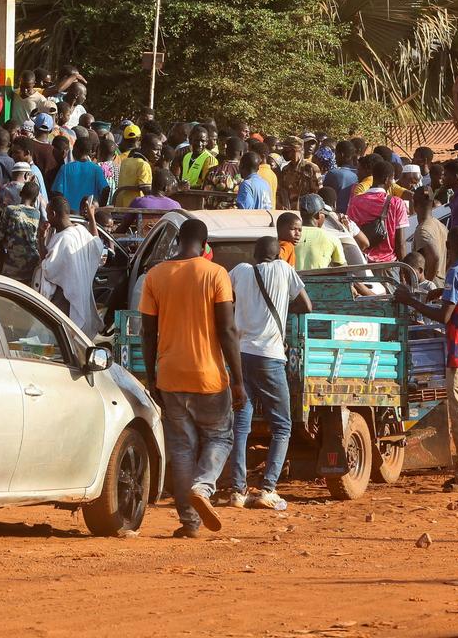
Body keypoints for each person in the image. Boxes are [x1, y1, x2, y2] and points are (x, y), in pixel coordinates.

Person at [139, 218, 241, 537]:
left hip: (170, 375)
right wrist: (237, 379)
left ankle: (189, 522)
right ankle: (204, 486)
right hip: (209, 376)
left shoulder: (154, 276)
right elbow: (226, 330)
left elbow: (147, 332)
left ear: (177, 241)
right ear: (205, 244)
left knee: (181, 448)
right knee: (220, 437)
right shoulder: (216, 274)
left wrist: (151, 374)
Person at [217, 235, 311, 511]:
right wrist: (280, 309)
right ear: (277, 255)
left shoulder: (241, 271)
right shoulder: (284, 269)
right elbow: (306, 304)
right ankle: (268, 488)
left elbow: (226, 299)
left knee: (241, 424)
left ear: (254, 255)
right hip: (270, 357)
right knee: (282, 426)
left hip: (240, 355)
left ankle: (237, 490)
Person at [396, 226, 458, 493]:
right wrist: (443, 295)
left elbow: (444, 317)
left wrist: (410, 301)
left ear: (449, 247)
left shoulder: (456, 272)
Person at [37, 197, 106, 336]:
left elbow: (47, 268)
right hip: (79, 300)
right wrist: (91, 217)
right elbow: (97, 244)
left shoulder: (63, 240)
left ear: (54, 214)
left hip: (65, 302)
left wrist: (40, 239)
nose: (47, 218)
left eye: (48, 214)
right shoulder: (80, 230)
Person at [348, 160, 408, 263]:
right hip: (387, 265)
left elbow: (350, 232)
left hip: (362, 263)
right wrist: (405, 269)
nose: (392, 183)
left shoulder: (355, 201)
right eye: (392, 179)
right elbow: (400, 243)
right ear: (386, 180)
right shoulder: (396, 203)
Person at [0, 180, 44, 282]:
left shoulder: (9, 210)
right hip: (32, 263)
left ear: (20, 193)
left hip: (12, 263)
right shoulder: (37, 213)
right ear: (35, 199)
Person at [51, 136, 109, 211]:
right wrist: (99, 208)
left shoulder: (65, 168)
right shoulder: (97, 169)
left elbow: (57, 192)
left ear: (75, 150)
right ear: (89, 152)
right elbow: (106, 189)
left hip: (69, 214)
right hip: (88, 214)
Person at [294, 194, 345, 271]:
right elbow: (343, 270)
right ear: (318, 215)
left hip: (292, 282)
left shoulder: (290, 235)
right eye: (324, 215)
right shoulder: (332, 238)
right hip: (319, 282)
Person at [410, 186, 447, 282]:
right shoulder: (441, 226)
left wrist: (427, 283)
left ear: (415, 205)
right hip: (442, 281)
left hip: (433, 283)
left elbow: (434, 258)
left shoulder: (423, 230)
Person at [115, 132, 158, 207]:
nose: (159, 154)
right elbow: (147, 191)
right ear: (145, 147)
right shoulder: (144, 165)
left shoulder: (126, 161)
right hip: (135, 209)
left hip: (120, 205)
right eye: (156, 150)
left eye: (160, 150)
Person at [321, 141, 359, 214]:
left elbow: (325, 197)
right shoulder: (361, 174)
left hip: (335, 216)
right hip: (353, 217)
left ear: (341, 155)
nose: (335, 158)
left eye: (336, 154)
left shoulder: (333, 174)